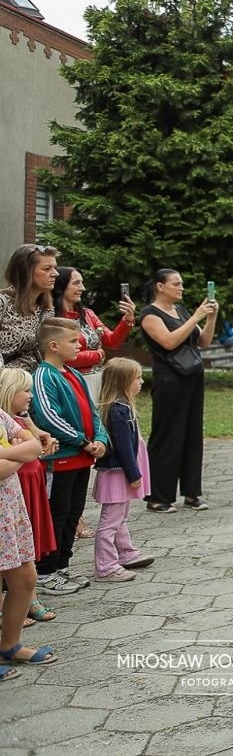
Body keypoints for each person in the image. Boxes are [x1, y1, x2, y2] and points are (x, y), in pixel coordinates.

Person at [31, 317, 107, 596]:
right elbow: (49, 418)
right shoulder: (43, 376)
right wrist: (83, 442)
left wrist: (100, 439)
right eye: (73, 341)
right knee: (56, 515)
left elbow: (93, 411)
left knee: (73, 514)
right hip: (60, 460)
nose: (80, 346)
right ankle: (45, 571)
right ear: (54, 346)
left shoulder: (73, 373)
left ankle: (62, 565)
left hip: (81, 458)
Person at [139, 269, 218, 512]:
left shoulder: (180, 311)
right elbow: (169, 341)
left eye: (181, 283)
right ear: (160, 286)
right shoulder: (150, 314)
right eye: (176, 284)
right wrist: (196, 317)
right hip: (169, 380)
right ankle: (158, 496)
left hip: (192, 378)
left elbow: (203, 342)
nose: (181, 287)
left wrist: (211, 318)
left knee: (192, 435)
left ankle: (192, 493)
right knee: (167, 436)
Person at [0, 376, 51, 676]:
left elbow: (33, 445)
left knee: (26, 579)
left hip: (9, 512)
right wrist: (19, 453)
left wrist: (9, 453)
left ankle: (10, 645)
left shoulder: (2, 415)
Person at [90, 358, 152, 581]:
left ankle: (126, 552)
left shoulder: (121, 406)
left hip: (121, 471)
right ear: (123, 381)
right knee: (111, 520)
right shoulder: (118, 410)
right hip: (118, 472)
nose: (141, 382)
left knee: (120, 515)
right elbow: (124, 446)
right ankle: (106, 566)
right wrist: (134, 474)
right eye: (137, 378)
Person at [53, 267, 136, 403]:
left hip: (97, 380)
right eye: (76, 283)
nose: (82, 288)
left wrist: (128, 319)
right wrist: (97, 355)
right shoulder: (52, 318)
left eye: (82, 283)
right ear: (61, 286)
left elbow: (112, 341)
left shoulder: (87, 314)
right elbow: (62, 357)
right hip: (69, 382)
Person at [0, 244, 59, 372]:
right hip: (7, 381)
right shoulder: (2, 303)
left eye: (54, 268)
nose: (55, 273)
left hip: (35, 379)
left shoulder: (47, 309)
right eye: (47, 268)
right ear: (26, 272)